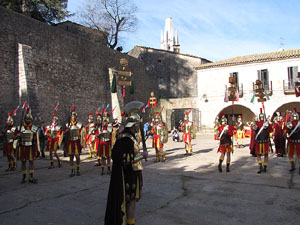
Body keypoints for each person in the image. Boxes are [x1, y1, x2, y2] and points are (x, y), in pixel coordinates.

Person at [105, 101, 148, 225]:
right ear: (133, 125)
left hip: (134, 174)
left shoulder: (131, 138)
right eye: (136, 125)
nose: (138, 128)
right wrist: (142, 156)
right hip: (128, 176)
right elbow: (127, 161)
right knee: (131, 201)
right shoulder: (126, 140)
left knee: (133, 201)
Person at [17, 107, 39, 183]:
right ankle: (24, 177)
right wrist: (18, 136)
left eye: (29, 119)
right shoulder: (20, 128)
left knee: (31, 162)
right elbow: (14, 138)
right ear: (25, 119)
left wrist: (37, 150)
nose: (28, 120)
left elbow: (36, 140)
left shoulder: (34, 128)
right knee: (23, 162)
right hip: (22, 147)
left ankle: (31, 177)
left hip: (31, 147)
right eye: (27, 119)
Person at [64, 107, 83, 177]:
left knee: (77, 157)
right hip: (70, 141)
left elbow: (82, 134)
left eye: (74, 116)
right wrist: (66, 131)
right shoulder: (68, 125)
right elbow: (64, 133)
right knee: (71, 157)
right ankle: (72, 171)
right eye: (72, 116)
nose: (73, 118)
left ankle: (78, 169)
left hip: (77, 142)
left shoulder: (79, 124)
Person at [252, 108, 272, 173]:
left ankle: (260, 167)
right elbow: (270, 130)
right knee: (266, 155)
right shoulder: (267, 123)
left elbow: (254, 131)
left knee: (258, 155)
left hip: (259, 142)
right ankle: (265, 167)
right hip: (265, 142)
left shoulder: (256, 123)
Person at [284, 108, 300, 174]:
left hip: (291, 142)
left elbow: (285, 133)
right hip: (298, 142)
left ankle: (292, 165)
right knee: (299, 156)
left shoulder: (289, 124)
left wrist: (287, 138)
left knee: (290, 155)